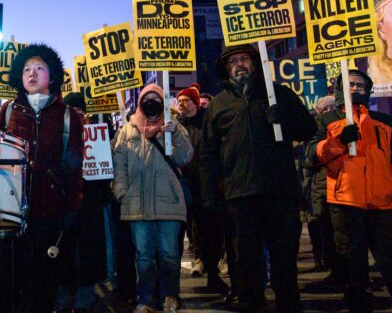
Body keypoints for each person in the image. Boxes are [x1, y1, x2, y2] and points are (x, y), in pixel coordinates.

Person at [200, 44, 316, 312]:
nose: (239, 65)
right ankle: (252, 303)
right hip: (241, 195)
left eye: (244, 59)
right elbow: (208, 154)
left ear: (255, 62)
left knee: (284, 256)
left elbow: (307, 129)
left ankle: (288, 303)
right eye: (233, 62)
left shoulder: (279, 95)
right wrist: (210, 196)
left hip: (280, 191)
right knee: (247, 259)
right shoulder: (219, 104)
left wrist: (283, 118)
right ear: (226, 68)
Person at [308, 70, 392, 313]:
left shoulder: (383, 120)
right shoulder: (327, 121)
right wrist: (337, 142)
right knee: (352, 264)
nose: (356, 89)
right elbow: (311, 155)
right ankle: (358, 306)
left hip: (383, 203)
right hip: (346, 202)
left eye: (361, 85)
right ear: (340, 89)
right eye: (350, 84)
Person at [0, 43, 84, 313]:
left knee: (44, 283)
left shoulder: (68, 116)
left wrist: (72, 207)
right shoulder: (8, 112)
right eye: (26, 69)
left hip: (49, 212)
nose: (32, 74)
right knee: (9, 280)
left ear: (52, 75)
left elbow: (74, 166)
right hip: (10, 212)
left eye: (39, 68)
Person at [114, 84, 193, 313]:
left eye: (155, 98)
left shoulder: (172, 127)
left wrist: (174, 132)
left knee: (169, 254)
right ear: (139, 102)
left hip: (169, 202)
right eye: (146, 98)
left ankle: (171, 296)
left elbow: (186, 156)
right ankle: (146, 299)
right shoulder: (127, 130)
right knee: (144, 257)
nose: (151, 102)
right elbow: (119, 164)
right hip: (136, 204)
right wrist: (121, 190)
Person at [55, 91, 111, 313]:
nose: (77, 114)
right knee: (64, 253)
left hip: (90, 205)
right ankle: (63, 300)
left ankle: (84, 301)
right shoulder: (58, 136)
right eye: (73, 110)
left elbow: (106, 173)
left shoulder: (97, 136)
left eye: (81, 111)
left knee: (89, 254)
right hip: (64, 205)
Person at [175, 84, 229, 296]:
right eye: (179, 100)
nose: (181, 103)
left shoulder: (207, 123)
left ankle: (213, 272)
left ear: (196, 104)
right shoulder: (173, 127)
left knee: (209, 229)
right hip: (182, 185)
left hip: (205, 184)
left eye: (186, 100)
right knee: (185, 230)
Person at [302, 95, 343, 288]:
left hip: (342, 185)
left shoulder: (345, 123)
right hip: (322, 187)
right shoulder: (314, 129)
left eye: (332, 108)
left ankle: (350, 272)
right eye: (326, 109)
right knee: (325, 230)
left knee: (343, 232)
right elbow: (309, 159)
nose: (330, 112)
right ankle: (335, 269)